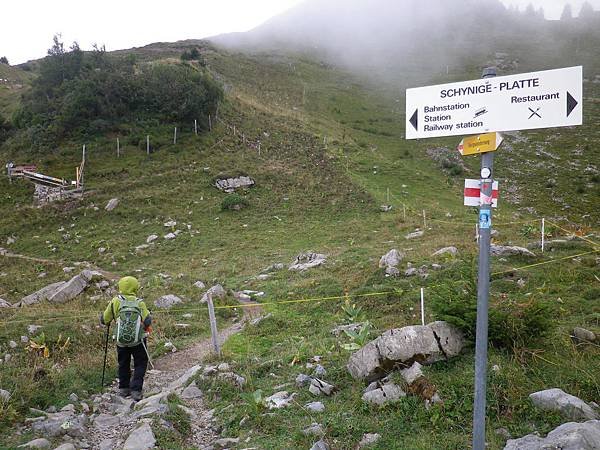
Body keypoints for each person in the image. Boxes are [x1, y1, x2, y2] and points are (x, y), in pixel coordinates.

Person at [100, 276, 152, 401]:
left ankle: (123, 388)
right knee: (140, 363)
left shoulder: (115, 301)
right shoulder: (139, 302)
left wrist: (103, 318)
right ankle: (136, 390)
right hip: (138, 340)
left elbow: (104, 319)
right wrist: (144, 327)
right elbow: (148, 320)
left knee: (123, 363)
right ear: (136, 287)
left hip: (121, 341)